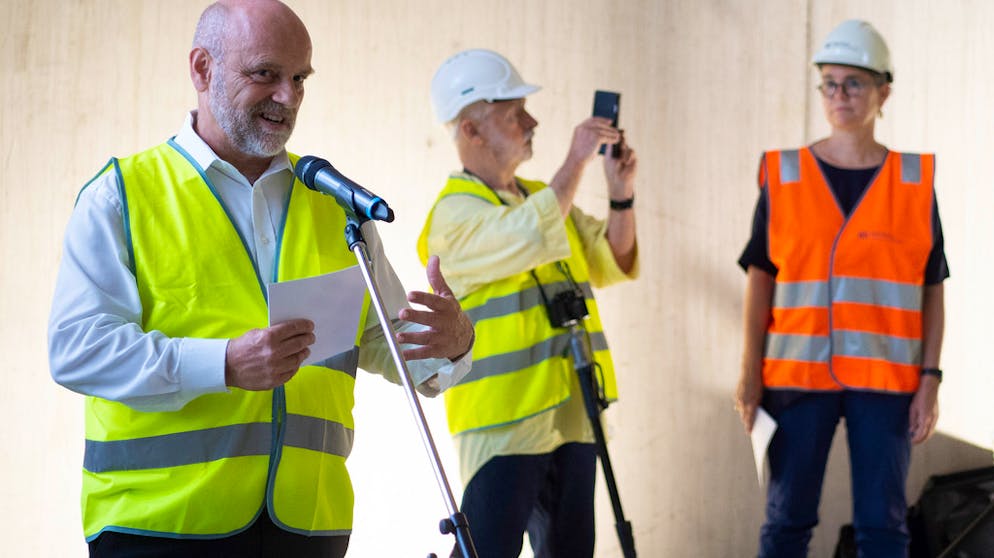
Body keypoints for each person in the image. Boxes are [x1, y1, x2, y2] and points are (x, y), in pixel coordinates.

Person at [47, 1, 474, 557]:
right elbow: (77, 350)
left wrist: (452, 344)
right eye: (265, 74)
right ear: (202, 69)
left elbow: (387, 345)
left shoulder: (337, 209)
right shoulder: (120, 197)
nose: (289, 96)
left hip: (309, 529)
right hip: (159, 529)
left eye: (299, 78)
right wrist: (223, 363)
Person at [734, 20, 948, 558]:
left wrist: (930, 379)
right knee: (786, 524)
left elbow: (931, 287)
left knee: (883, 530)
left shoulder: (913, 181)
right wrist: (748, 374)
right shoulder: (783, 176)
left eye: (853, 83)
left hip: (888, 382)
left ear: (884, 91)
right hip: (795, 379)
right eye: (829, 83)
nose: (839, 95)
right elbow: (761, 278)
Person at [420, 49, 639, 558]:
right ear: (471, 131)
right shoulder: (452, 217)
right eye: (514, 113)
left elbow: (613, 258)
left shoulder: (541, 197)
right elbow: (524, 235)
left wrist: (620, 194)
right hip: (504, 423)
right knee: (487, 550)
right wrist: (575, 160)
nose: (532, 121)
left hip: (572, 412)